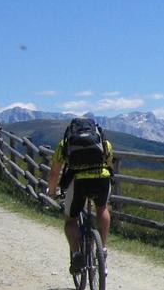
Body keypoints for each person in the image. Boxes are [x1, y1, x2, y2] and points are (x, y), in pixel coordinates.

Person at [46, 117, 114, 273]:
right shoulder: (104, 142)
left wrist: (51, 191)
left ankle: (76, 254)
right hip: (101, 179)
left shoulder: (65, 144)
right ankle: (102, 249)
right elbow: (110, 166)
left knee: (71, 218)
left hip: (77, 182)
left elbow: (54, 172)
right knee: (102, 208)